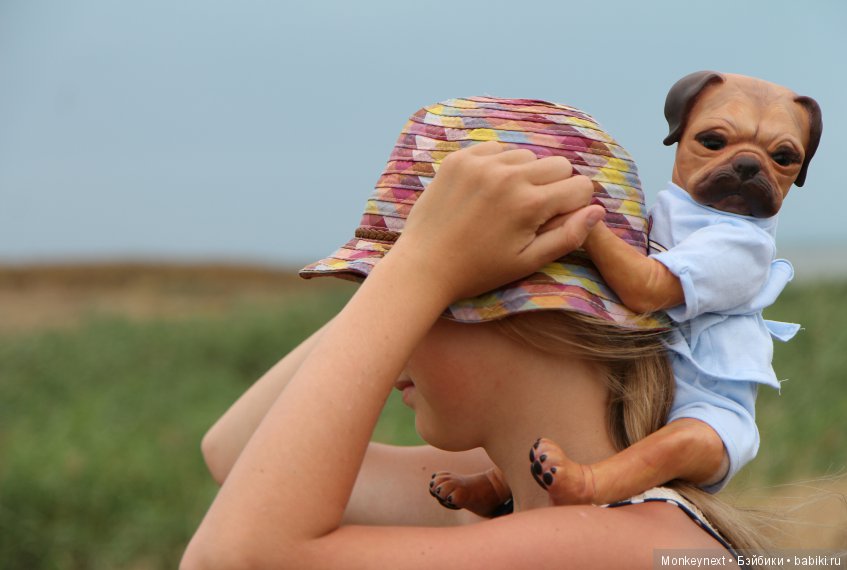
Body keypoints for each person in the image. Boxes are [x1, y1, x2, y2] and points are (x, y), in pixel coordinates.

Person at [182, 97, 760, 569]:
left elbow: (235, 557)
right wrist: (416, 270)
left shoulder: (621, 547)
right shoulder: (510, 503)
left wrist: (420, 272)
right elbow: (235, 451)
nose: (393, 335)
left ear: (535, 309)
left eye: (421, 302)